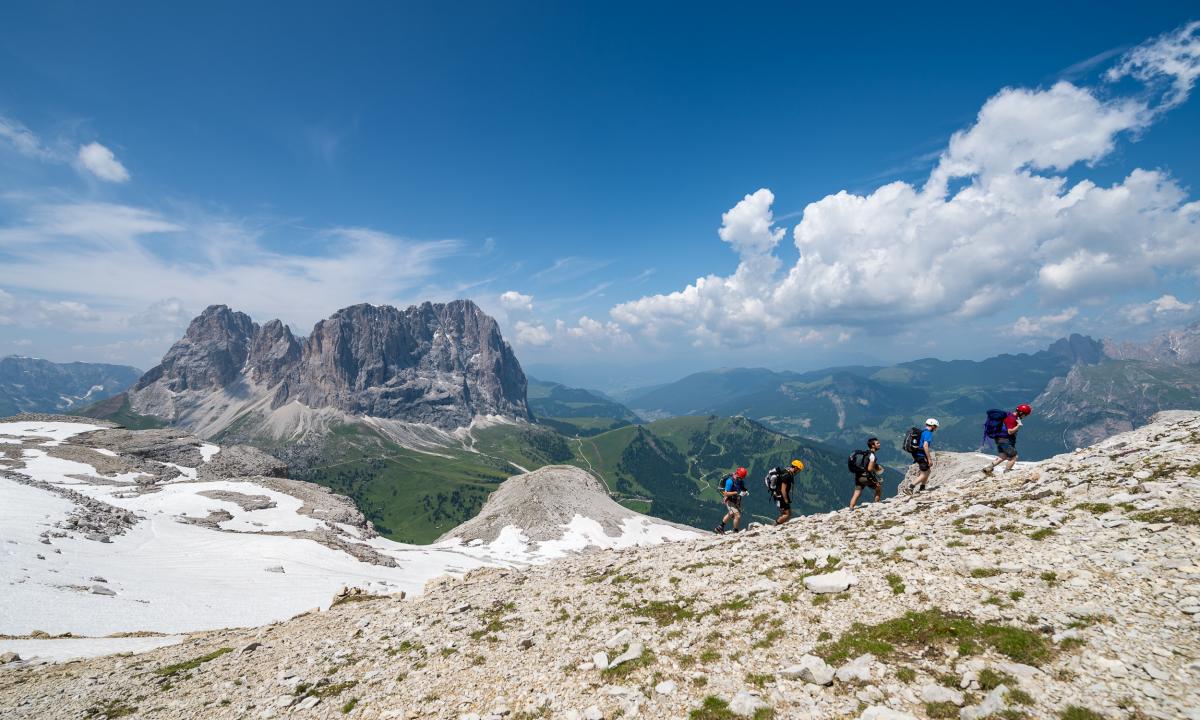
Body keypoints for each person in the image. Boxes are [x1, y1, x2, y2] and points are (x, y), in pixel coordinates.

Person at [983, 404, 1032, 475]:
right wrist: (1018, 426)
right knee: (1014, 456)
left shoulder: (1010, 415)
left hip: (999, 439)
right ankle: (1007, 472)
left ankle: (988, 468)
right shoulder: (1012, 419)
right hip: (1005, 440)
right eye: (1025, 415)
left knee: (1003, 456)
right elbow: (1010, 431)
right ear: (1021, 413)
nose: (1025, 417)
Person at [904, 418, 938, 495]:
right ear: (932, 426)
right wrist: (929, 459)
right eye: (935, 427)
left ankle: (922, 487)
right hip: (920, 455)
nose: (935, 429)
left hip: (916, 454)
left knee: (927, 471)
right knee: (925, 473)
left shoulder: (922, 431)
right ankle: (910, 487)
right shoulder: (928, 433)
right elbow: (925, 446)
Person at [765, 460, 804, 525]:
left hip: (778, 495)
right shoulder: (787, 475)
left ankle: (779, 525)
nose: (798, 472)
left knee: (786, 513)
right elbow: (783, 489)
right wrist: (786, 500)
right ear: (796, 468)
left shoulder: (786, 470)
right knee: (787, 514)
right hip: (780, 496)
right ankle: (774, 526)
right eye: (799, 470)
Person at [849, 437, 883, 510]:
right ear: (873, 446)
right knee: (878, 488)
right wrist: (875, 476)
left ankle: (851, 508)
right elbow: (869, 469)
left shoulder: (865, 453)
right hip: (865, 477)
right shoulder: (872, 456)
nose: (879, 444)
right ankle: (876, 505)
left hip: (858, 476)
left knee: (857, 493)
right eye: (877, 443)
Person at [714, 467, 748, 534]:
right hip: (729, 500)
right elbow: (726, 493)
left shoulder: (740, 480)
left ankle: (720, 527)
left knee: (730, 513)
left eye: (742, 478)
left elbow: (742, 488)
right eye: (741, 477)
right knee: (737, 515)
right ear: (738, 475)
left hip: (735, 500)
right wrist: (736, 493)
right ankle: (735, 531)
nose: (741, 479)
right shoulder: (730, 481)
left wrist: (745, 491)